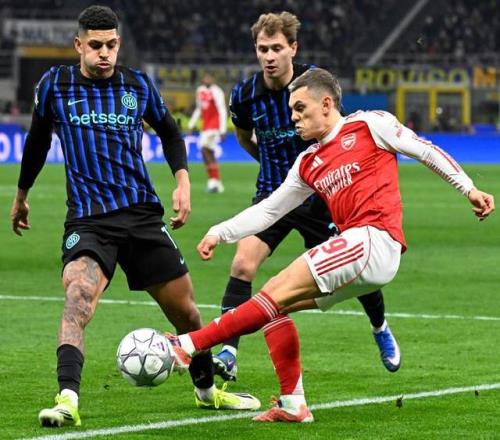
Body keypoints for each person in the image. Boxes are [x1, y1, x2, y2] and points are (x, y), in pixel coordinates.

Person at [165, 67, 495, 423]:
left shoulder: (370, 124)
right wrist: (220, 232)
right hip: (359, 252)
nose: (293, 117)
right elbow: (270, 210)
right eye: (291, 111)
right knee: (273, 306)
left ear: (326, 104)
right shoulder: (307, 162)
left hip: (374, 239)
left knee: (273, 291)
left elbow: (425, 151)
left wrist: (469, 189)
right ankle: (293, 404)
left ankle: (188, 345)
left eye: (300, 108)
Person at [10, 5, 260, 429]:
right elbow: (36, 141)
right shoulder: (55, 85)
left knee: (188, 316)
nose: (104, 53)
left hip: (142, 217)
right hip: (89, 221)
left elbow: (170, 131)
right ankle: (67, 398)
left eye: (111, 45)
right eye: (95, 45)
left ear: (119, 43)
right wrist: (21, 195)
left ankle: (207, 393)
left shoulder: (136, 85)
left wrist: (182, 181)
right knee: (77, 298)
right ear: (78, 45)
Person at [212, 11, 399, 383]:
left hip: (321, 198)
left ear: (292, 48)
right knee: (243, 265)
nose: (269, 56)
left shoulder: (312, 85)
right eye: (263, 49)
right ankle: (229, 351)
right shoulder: (244, 95)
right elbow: (244, 136)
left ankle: (380, 327)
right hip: (273, 193)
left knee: (357, 276)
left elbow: (341, 133)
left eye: (276, 48)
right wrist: (269, 164)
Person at [187, 72, 227, 193]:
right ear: (203, 79)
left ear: (213, 79)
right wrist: (191, 125)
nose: (207, 79)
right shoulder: (200, 91)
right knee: (207, 153)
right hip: (205, 126)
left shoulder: (217, 91)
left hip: (214, 126)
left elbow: (222, 109)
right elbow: (199, 109)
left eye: (210, 77)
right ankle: (215, 182)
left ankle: (214, 181)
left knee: (205, 149)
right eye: (206, 77)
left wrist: (223, 129)